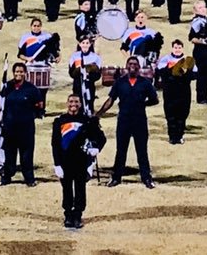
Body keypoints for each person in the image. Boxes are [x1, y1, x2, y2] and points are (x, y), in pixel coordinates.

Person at [104, 56, 160, 188]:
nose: (132, 66)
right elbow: (110, 100)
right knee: (121, 151)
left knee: (142, 151)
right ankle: (116, 177)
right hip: (123, 121)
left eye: (135, 64)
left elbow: (155, 99)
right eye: (130, 64)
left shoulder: (145, 83)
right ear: (126, 66)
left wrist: (142, 104)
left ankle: (146, 178)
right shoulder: (120, 82)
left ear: (139, 67)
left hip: (139, 121)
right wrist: (99, 114)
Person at [52, 94, 106, 229]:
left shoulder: (87, 121)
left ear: (80, 104)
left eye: (76, 102)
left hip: (81, 161)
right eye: (70, 101)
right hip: (65, 161)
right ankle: (68, 215)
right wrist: (57, 164)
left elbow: (101, 138)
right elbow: (55, 144)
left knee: (80, 189)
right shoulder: (59, 121)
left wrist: (96, 149)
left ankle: (78, 215)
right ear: (67, 103)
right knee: (67, 189)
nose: (73, 104)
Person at [0, 62, 44, 186]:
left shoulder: (31, 89)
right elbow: (0, 103)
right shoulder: (7, 87)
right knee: (9, 154)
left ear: (25, 73)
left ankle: (29, 179)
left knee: (27, 155)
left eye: (21, 71)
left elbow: (40, 104)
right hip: (9, 128)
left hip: (26, 128)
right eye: (16, 72)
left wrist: (32, 115)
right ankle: (6, 177)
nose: (19, 74)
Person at [156, 40, 197, 144]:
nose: (177, 50)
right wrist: (176, 71)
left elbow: (194, 75)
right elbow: (161, 72)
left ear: (182, 48)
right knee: (170, 115)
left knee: (182, 115)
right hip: (170, 92)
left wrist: (184, 73)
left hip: (184, 92)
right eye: (175, 47)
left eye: (179, 48)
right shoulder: (165, 59)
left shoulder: (189, 60)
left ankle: (180, 136)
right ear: (172, 48)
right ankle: (172, 137)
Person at [188, 0, 207, 104]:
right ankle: (200, 97)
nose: (203, 9)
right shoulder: (197, 22)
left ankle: (204, 97)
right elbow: (191, 38)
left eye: (204, 7)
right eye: (200, 8)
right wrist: (204, 42)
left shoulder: (205, 20)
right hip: (200, 51)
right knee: (201, 75)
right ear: (195, 10)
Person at [68, 37, 103, 113]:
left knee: (90, 101)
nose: (85, 45)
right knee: (78, 102)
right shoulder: (74, 56)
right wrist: (78, 71)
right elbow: (71, 72)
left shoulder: (95, 57)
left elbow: (98, 74)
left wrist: (91, 72)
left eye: (87, 43)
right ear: (80, 44)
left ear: (90, 44)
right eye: (83, 43)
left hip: (89, 84)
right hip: (78, 84)